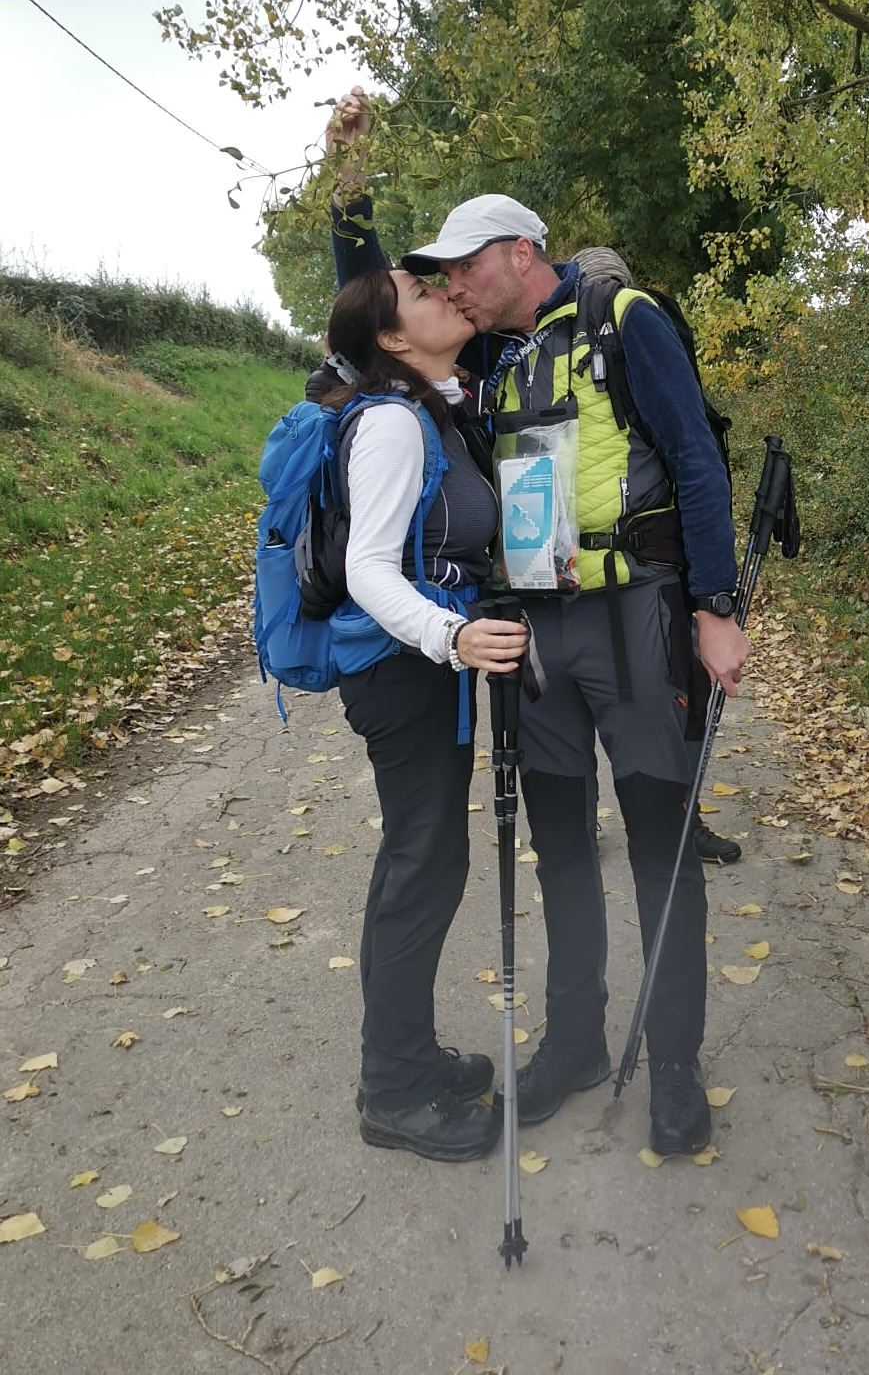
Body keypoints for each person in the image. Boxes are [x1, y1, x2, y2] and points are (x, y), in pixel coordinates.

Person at [401, 195, 750, 1157]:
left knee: (660, 848)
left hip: (638, 618)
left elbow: (696, 458)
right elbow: (375, 318)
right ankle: (574, 1043)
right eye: (442, 274)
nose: (452, 286)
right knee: (560, 849)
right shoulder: (485, 355)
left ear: (522, 252)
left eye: (465, 265)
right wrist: (351, 205)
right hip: (538, 633)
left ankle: (673, 1062)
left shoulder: (626, 320)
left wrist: (716, 607)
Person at [321, 264, 528, 1162]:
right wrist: (453, 636)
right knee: (424, 868)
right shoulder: (394, 423)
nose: (445, 293)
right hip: (403, 673)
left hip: (417, 671)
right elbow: (368, 569)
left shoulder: (429, 407)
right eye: (420, 293)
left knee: (417, 863)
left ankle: (402, 1056)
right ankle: (396, 1092)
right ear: (392, 339)